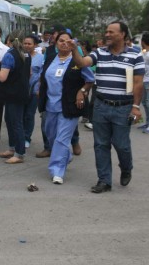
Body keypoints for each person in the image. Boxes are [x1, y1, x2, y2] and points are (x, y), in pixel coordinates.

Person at [68, 21, 144, 193]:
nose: (107, 34)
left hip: (123, 107)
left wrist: (136, 107)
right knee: (101, 144)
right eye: (106, 32)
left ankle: (126, 168)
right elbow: (82, 63)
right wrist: (74, 49)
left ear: (123, 34)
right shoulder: (99, 53)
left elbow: (138, 84)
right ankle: (104, 181)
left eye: (111, 32)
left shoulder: (135, 55)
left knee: (121, 144)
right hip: (101, 106)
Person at [38, 30, 94, 184]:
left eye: (67, 41)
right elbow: (43, 79)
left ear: (72, 44)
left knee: (62, 139)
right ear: (56, 44)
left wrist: (82, 92)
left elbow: (90, 80)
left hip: (69, 106)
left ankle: (57, 171)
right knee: (51, 137)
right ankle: (65, 156)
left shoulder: (77, 61)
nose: (64, 43)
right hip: (50, 106)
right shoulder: (50, 59)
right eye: (60, 41)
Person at [0, 30, 31, 163]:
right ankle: (12, 148)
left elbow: (2, 77)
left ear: (8, 41)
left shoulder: (10, 55)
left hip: (12, 94)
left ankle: (19, 153)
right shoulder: (26, 54)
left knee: (15, 123)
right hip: (21, 93)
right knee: (10, 121)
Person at [23, 35, 42, 148]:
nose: (26, 45)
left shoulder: (41, 58)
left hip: (34, 91)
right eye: (25, 43)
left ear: (35, 45)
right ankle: (19, 136)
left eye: (29, 44)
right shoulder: (20, 56)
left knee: (29, 115)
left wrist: (39, 88)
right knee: (20, 114)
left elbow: (42, 74)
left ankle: (27, 137)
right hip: (21, 90)